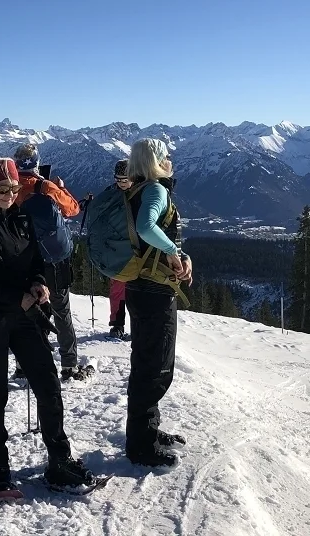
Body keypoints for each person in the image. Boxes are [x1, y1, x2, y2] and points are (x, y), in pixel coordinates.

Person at [0, 157, 96, 496]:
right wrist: (15, 297)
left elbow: (35, 261)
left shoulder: (21, 219)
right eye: (2, 189)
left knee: (48, 384)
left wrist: (38, 283)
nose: (9, 195)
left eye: (14, 189)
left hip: (24, 314)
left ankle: (59, 461)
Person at [124, 138, 194, 467]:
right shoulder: (155, 190)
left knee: (147, 362)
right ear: (156, 161)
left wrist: (177, 254)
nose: (170, 161)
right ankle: (141, 444)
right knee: (156, 368)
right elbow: (145, 227)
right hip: (154, 291)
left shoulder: (136, 189)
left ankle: (146, 430)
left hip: (140, 287)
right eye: (166, 156)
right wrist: (173, 252)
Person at [12, 143, 92, 382]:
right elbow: (73, 209)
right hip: (53, 259)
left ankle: (23, 365)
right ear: (37, 162)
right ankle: (69, 365)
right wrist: (61, 188)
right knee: (61, 309)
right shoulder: (46, 187)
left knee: (27, 311)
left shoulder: (10, 189)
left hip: (24, 260)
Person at [107, 159, 132, 340]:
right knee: (117, 289)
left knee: (137, 290)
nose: (122, 183)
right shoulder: (110, 193)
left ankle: (138, 324)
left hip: (135, 247)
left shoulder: (140, 192)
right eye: (119, 180)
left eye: (125, 180)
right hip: (116, 248)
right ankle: (117, 323)